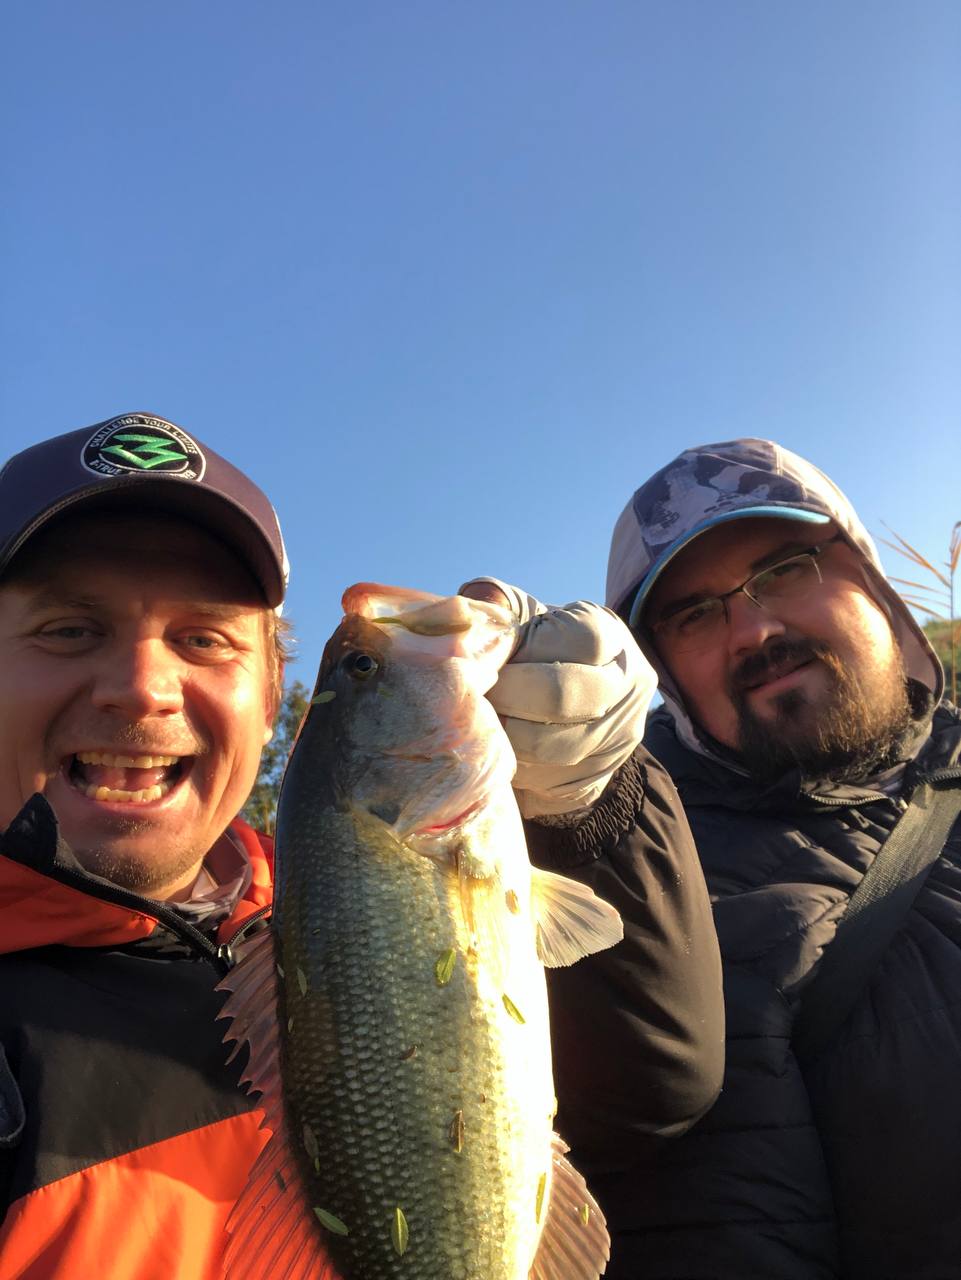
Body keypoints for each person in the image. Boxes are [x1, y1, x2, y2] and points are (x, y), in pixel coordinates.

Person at [0, 412, 722, 1279]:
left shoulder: (295, 904)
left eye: (203, 639)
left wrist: (591, 818)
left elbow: (652, 1094)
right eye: (68, 630)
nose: (143, 688)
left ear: (271, 697)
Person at [603, 436, 961, 1280]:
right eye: (693, 615)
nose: (752, 630)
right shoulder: (642, 883)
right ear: (660, 670)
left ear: (867, 576)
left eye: (784, 570)